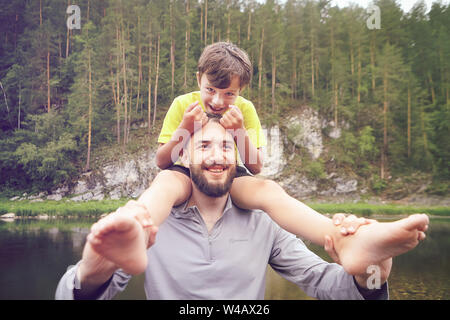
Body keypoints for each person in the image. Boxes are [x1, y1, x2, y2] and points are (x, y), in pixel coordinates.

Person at [55, 117, 429, 300]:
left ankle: (349, 242)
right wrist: (93, 273)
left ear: (239, 158)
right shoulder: (154, 218)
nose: (217, 157)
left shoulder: (265, 221)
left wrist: (370, 276)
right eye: (204, 147)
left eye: (226, 147)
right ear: (183, 156)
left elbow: (326, 284)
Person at [129, 42, 376, 276]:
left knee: (268, 189)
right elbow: (163, 160)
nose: (217, 101)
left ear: (241, 91)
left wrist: (238, 131)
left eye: (229, 94)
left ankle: (339, 238)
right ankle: (133, 231)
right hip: (185, 170)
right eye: (210, 90)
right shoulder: (182, 104)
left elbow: (255, 166)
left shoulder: (245, 110)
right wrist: (185, 127)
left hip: (230, 174)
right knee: (164, 183)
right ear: (198, 79)